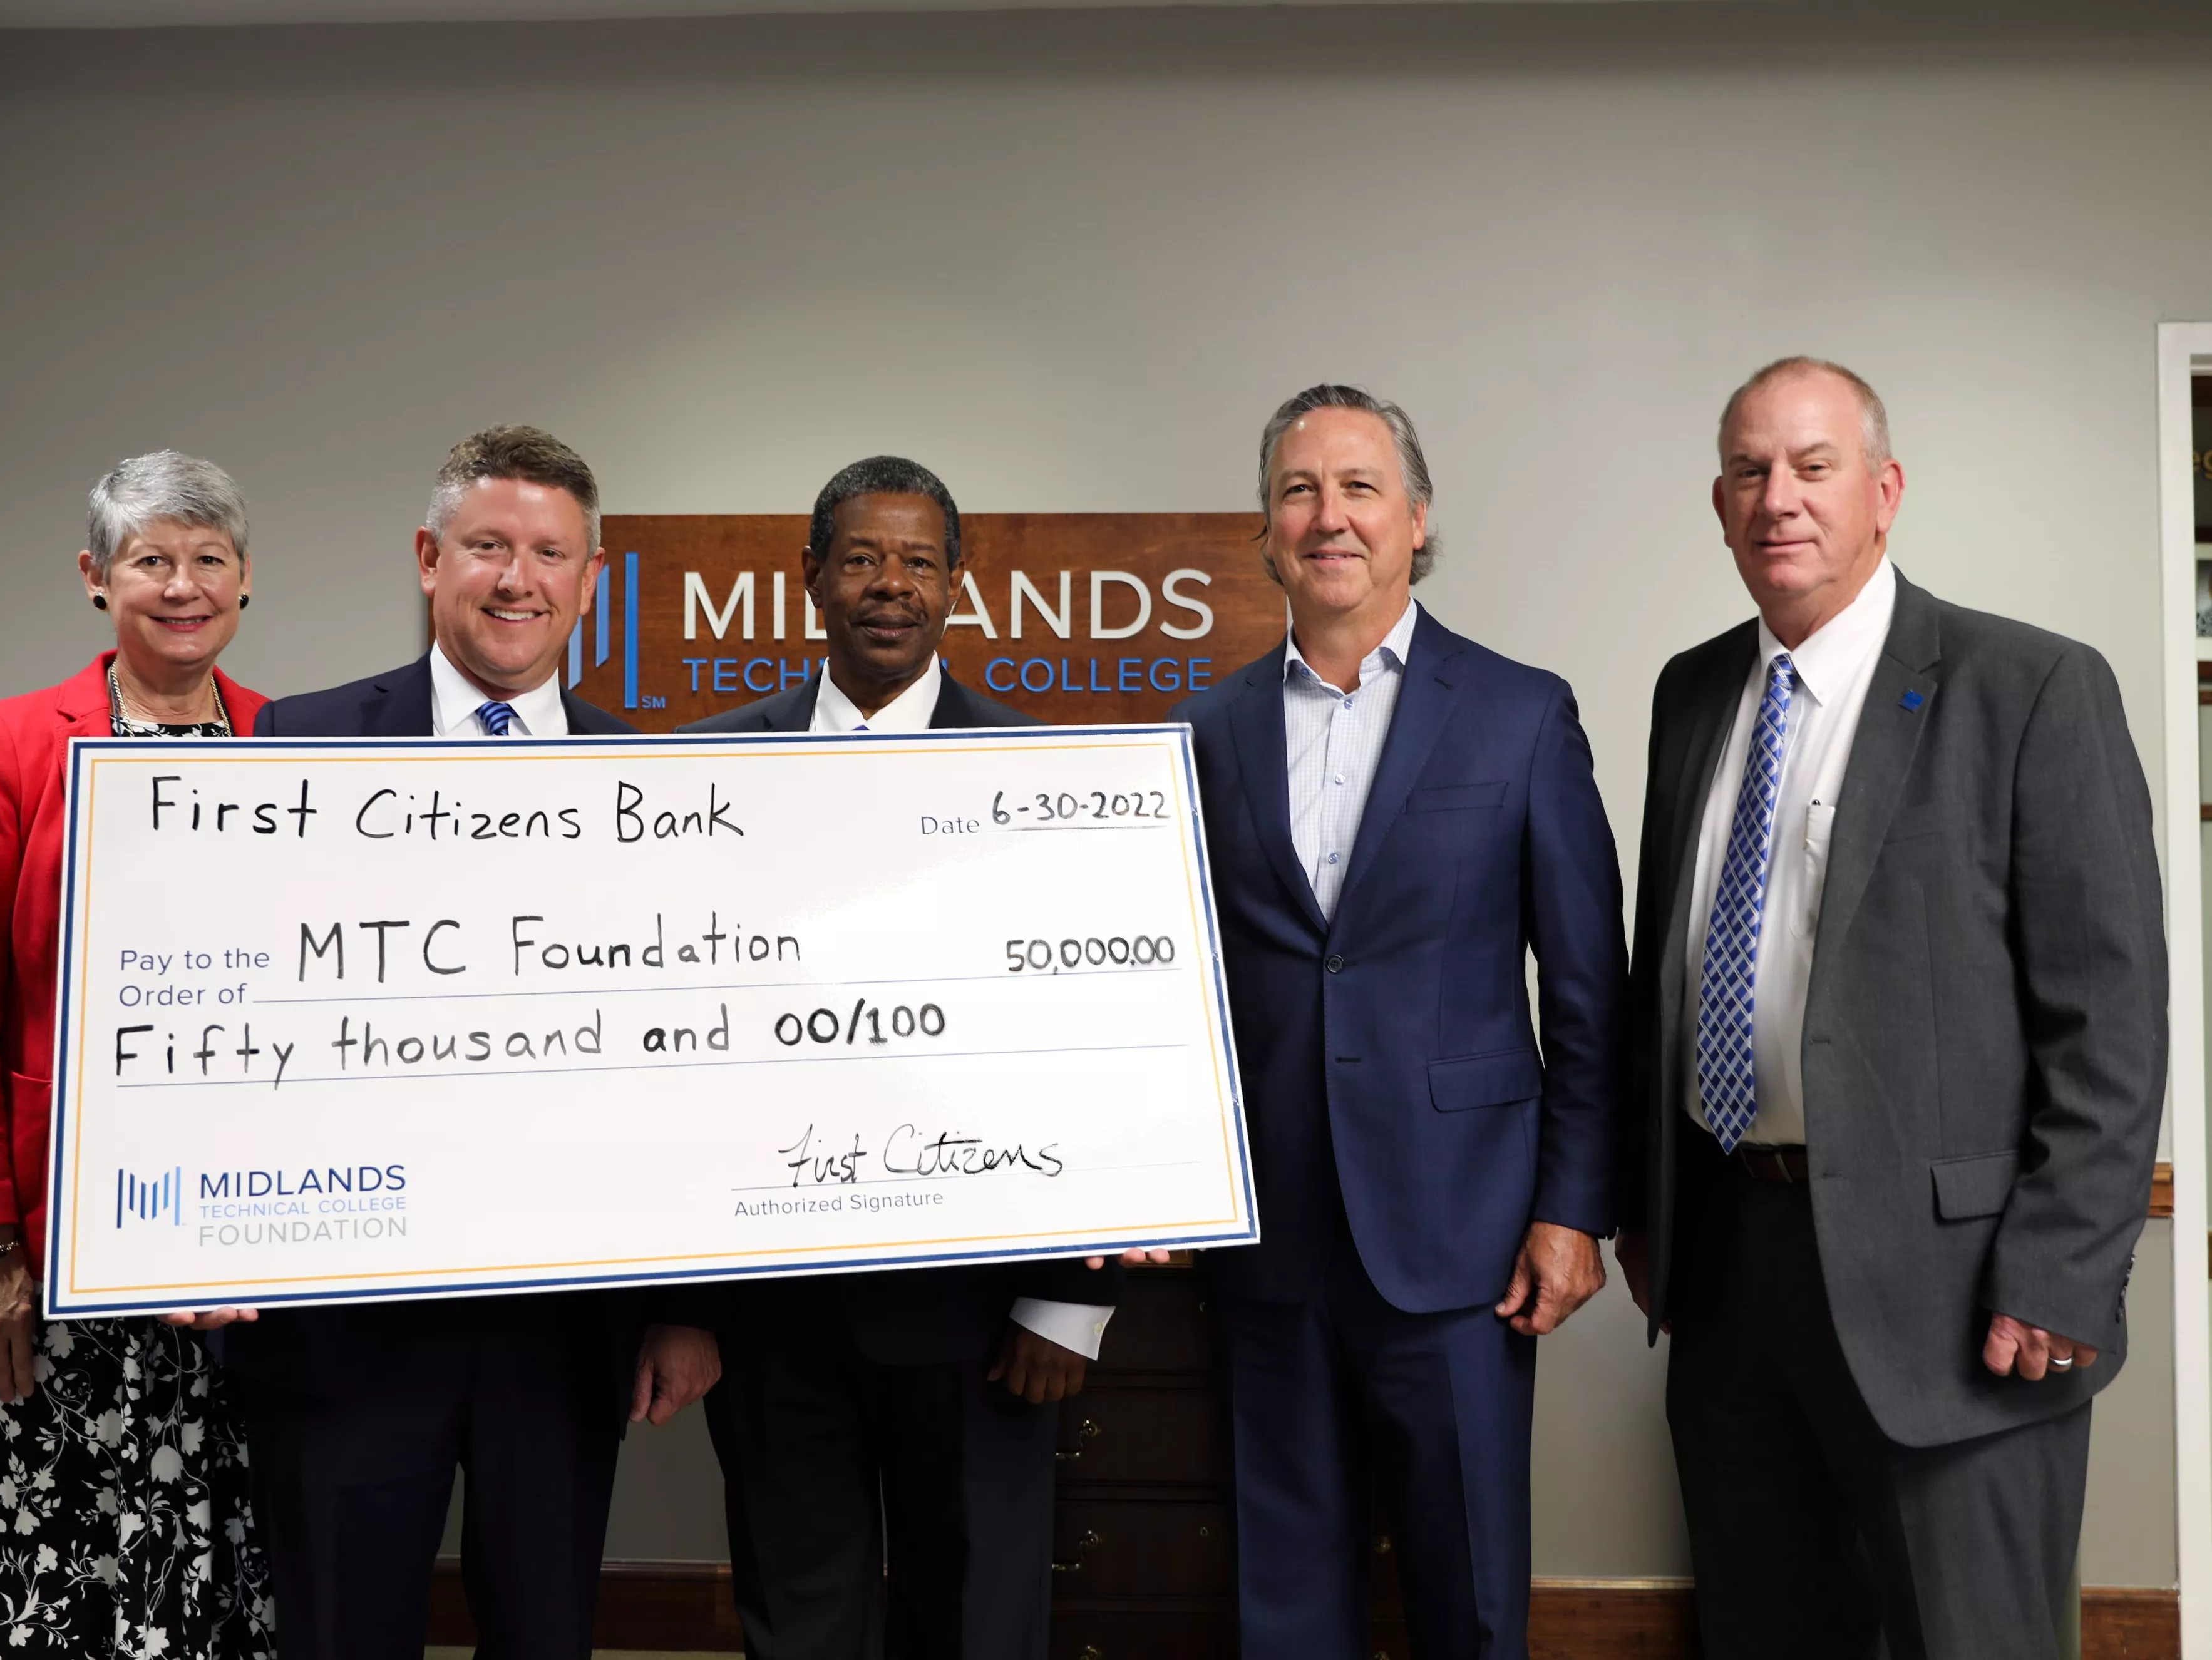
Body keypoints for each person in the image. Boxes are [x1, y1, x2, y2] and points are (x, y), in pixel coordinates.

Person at [1613, 358, 2166, 1659]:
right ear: (1718, 503)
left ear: (1884, 490)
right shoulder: (1690, 693)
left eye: (1813, 467)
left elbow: (2109, 1017)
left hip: (1962, 1302)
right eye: (1749, 471)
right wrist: (1649, 1212)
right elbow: (1663, 975)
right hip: (1731, 1272)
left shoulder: (2028, 686)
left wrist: (2059, 1272)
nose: (1779, 498)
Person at [230, 426, 721, 1660]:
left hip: (559, 1327)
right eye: (489, 546)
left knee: (545, 1635)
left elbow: (687, 1070)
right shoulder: (299, 745)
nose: (518, 580)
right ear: (427, 558)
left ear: (590, 580)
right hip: (343, 1315)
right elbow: (232, 1019)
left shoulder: (656, 785)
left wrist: (684, 1307)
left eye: (550, 554)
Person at [1172, 386, 1628, 1658]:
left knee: (1468, 1602)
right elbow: (1166, 991)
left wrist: (1573, 1208)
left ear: (1416, 520)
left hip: (1462, 1241)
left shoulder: (1520, 714)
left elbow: (1588, 990)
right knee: (1282, 1610)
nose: (1330, 516)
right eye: (1299, 491)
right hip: (1265, 1245)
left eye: (1359, 488)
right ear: (1266, 530)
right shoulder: (1197, 733)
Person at [682, 455, 1131, 1660]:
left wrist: (1072, 1296)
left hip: (983, 1318)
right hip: (771, 1315)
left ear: (956, 584)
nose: (892, 584)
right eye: (864, 559)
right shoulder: (706, 771)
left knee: (978, 1624)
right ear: (812, 576)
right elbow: (671, 1055)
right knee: (798, 1622)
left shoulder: (1045, 778)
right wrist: (681, 1307)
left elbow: (1097, 1038)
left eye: (919, 562)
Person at [0, 451, 274, 1658]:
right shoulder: (11, 742)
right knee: (39, 1578)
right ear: (95, 577)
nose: (182, 586)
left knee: (216, 1566)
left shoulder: (290, 740)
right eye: (150, 559)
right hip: (51, 1244)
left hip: (243, 1251)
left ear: (245, 578)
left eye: (209, 559)